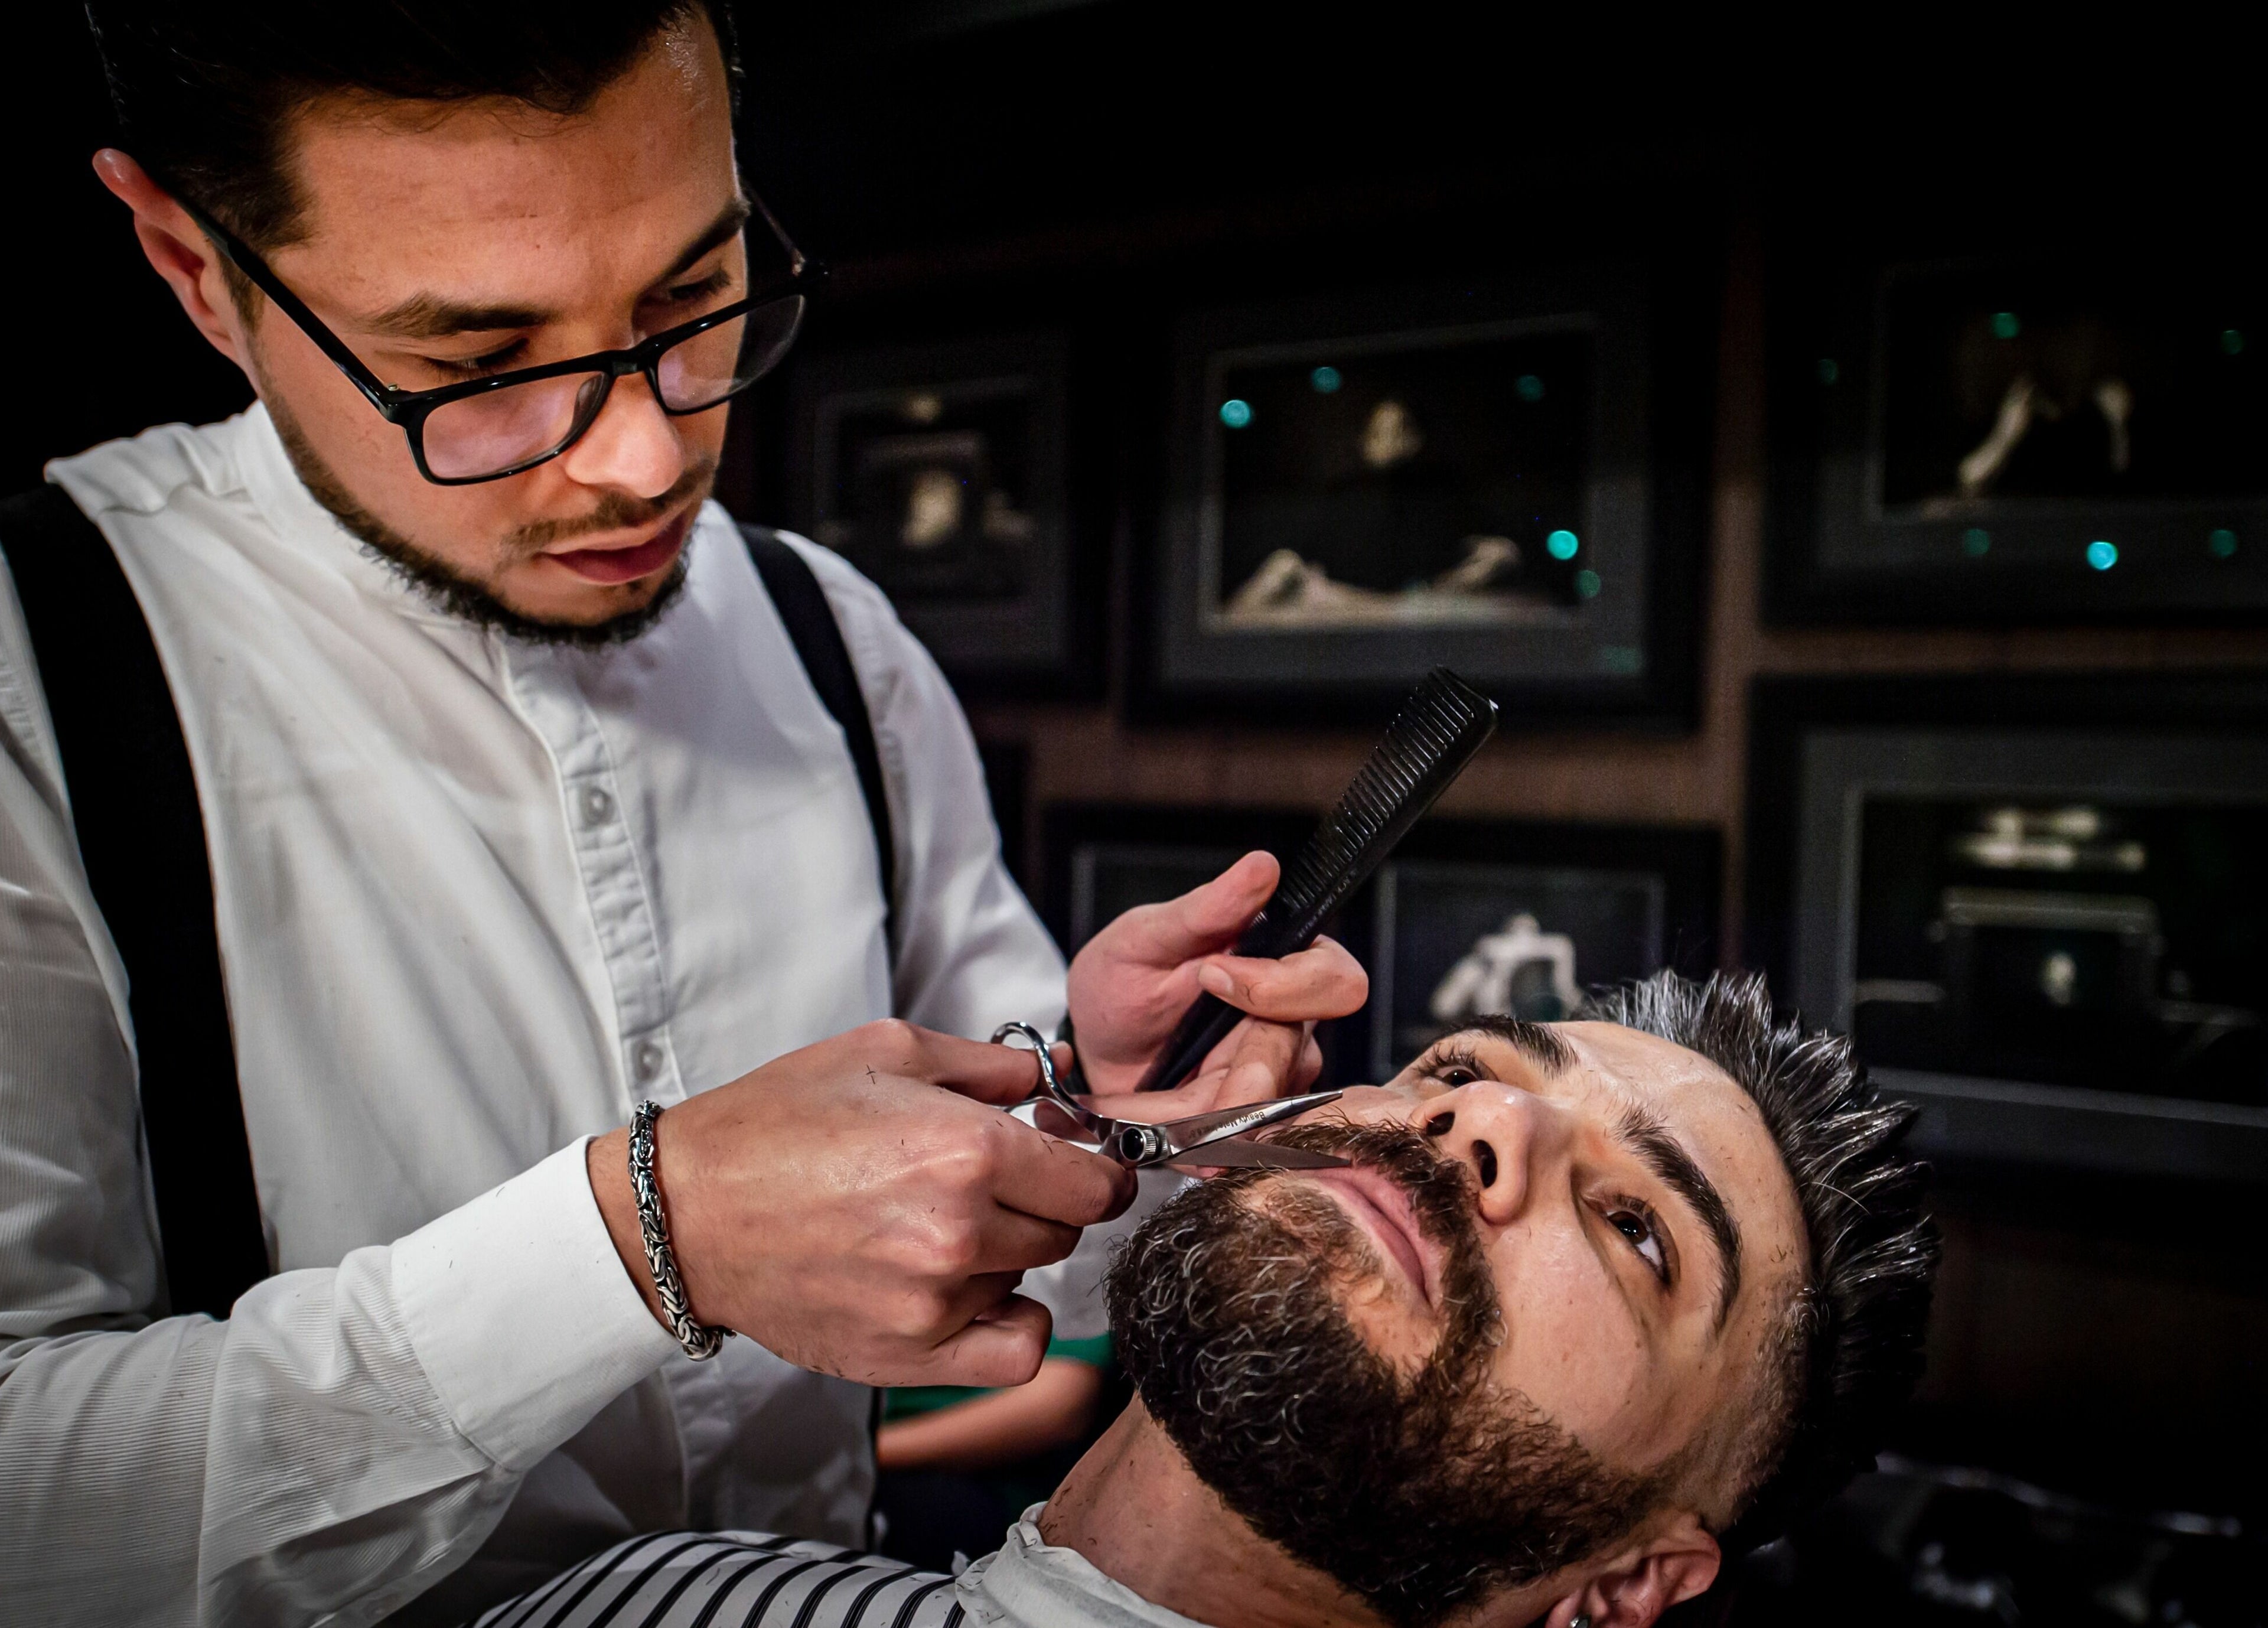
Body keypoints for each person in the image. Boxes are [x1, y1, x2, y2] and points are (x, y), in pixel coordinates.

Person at [0, 5, 1363, 1623]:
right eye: (480, 367)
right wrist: (645, 1245)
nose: (645, 458)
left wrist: (1112, 1120)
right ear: (192, 267)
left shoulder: (830, 636)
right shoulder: (28, 678)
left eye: (693, 294)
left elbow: (1039, 1238)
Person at [470, 971, 1941, 1628]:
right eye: (1458, 1068)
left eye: (1638, 1227)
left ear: (1627, 1584)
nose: (1485, 1124)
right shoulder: (643, 1594)